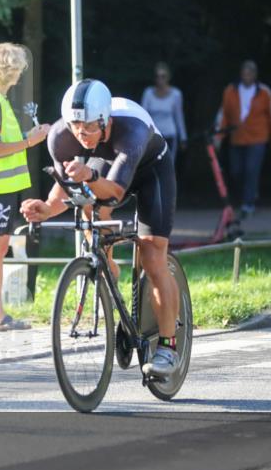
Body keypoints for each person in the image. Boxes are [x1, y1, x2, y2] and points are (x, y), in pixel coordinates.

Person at [20, 79, 181, 379]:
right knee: (88, 208)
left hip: (149, 171)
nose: (82, 135)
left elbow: (115, 193)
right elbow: (66, 188)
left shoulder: (131, 130)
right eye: (75, 127)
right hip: (106, 164)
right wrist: (45, 209)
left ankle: (169, 348)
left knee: (153, 254)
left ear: (106, 121)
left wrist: (89, 174)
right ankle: (108, 274)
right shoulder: (61, 137)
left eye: (90, 127)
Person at [0, 43, 50, 331]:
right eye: (16, 67)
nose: (20, 71)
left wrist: (31, 136)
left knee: (0, 247)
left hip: (5, 186)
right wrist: (30, 141)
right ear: (8, 70)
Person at [215, 60, 271, 219]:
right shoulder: (230, 91)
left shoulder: (265, 92)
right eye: (244, 73)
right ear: (241, 74)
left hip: (258, 138)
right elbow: (223, 115)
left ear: (255, 75)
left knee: (252, 170)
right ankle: (250, 194)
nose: (247, 76)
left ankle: (248, 204)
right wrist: (218, 137)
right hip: (236, 138)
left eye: (250, 73)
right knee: (236, 171)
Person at [141, 62, 187, 163]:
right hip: (153, 136)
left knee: (168, 164)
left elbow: (178, 116)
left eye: (163, 76)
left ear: (168, 78)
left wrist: (183, 137)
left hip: (170, 135)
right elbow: (143, 115)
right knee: (152, 164)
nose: (160, 79)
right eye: (158, 76)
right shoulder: (148, 93)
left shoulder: (176, 94)